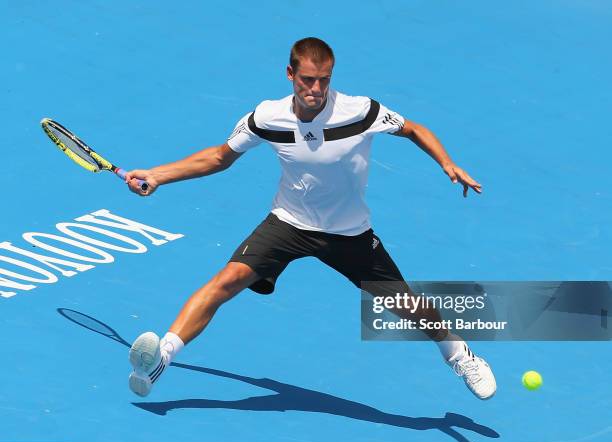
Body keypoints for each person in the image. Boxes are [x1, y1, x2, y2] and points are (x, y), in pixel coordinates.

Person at [125, 37, 496, 400]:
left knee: (407, 305)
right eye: (308, 80)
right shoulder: (267, 117)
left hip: (348, 232)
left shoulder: (360, 110)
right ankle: (162, 357)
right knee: (227, 280)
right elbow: (220, 157)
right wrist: (158, 175)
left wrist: (447, 163)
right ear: (290, 74)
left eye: (324, 80)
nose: (316, 89)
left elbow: (413, 128)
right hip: (288, 223)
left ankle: (460, 354)